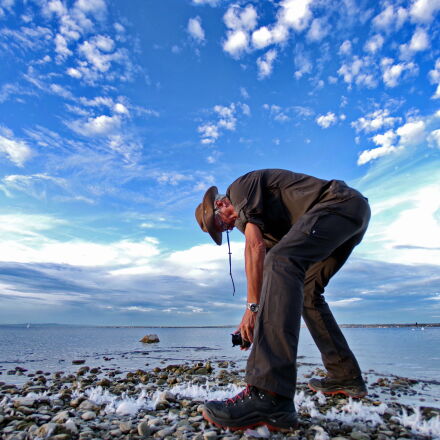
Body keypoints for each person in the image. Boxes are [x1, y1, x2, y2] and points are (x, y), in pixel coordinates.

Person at [195, 169, 371, 432]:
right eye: (223, 229)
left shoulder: (240, 188)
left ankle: (269, 395)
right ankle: (345, 376)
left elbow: (256, 249)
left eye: (220, 224)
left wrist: (252, 309)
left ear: (221, 203)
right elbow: (274, 280)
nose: (229, 228)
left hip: (338, 203)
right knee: (307, 292)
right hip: (349, 214)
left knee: (282, 260)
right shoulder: (268, 229)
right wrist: (257, 318)